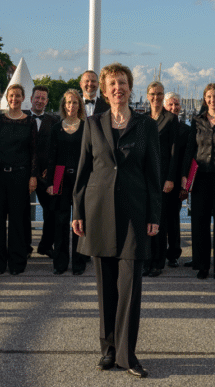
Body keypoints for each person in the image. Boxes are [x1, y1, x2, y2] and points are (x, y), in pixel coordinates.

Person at [73, 63, 161, 379]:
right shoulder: (93, 123)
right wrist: (77, 212)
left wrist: (154, 215)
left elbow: (154, 174)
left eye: (122, 83)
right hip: (97, 213)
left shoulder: (145, 125)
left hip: (134, 216)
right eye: (111, 83)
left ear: (129, 87)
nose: (116, 88)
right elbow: (83, 172)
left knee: (130, 287)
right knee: (105, 288)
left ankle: (128, 354)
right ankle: (108, 351)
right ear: (105, 89)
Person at [0, 83, 38, 275]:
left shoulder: (29, 122)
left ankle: (17, 263)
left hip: (20, 176)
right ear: (7, 97)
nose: (14, 99)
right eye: (11, 96)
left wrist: (33, 176)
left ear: (23, 98)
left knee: (17, 221)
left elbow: (34, 152)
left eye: (18, 96)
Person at [183, 83, 215, 280]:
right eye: (209, 96)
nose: (212, 100)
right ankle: (202, 265)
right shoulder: (197, 121)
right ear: (205, 98)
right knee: (199, 222)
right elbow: (189, 149)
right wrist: (184, 175)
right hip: (201, 177)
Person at [48, 89, 88, 275]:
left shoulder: (87, 127)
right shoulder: (56, 128)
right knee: (61, 221)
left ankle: (79, 263)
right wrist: (51, 183)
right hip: (60, 177)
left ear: (79, 105)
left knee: (80, 221)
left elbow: (91, 156)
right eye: (68, 102)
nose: (71, 106)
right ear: (63, 105)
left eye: (74, 102)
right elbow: (51, 158)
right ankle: (60, 263)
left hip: (81, 179)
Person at [143, 81, 179, 277]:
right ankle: (146, 261)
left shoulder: (171, 119)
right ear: (147, 96)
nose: (155, 97)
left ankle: (158, 262)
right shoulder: (142, 119)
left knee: (161, 221)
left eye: (159, 94)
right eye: (152, 94)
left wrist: (171, 178)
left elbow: (175, 151)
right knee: (145, 219)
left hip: (163, 177)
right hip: (145, 177)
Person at [26, 85, 58, 259]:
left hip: (46, 174)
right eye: (37, 97)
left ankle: (45, 245)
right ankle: (25, 247)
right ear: (31, 99)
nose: (39, 100)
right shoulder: (22, 118)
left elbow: (56, 148)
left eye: (43, 98)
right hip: (25, 172)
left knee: (50, 210)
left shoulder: (53, 122)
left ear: (46, 101)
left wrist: (50, 169)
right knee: (22, 212)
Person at [162, 92, 189, 269]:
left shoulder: (186, 130)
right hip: (158, 178)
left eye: (176, 104)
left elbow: (187, 158)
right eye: (170, 104)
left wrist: (184, 185)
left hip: (177, 180)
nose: (174, 108)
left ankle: (173, 255)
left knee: (173, 219)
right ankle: (156, 253)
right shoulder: (157, 126)